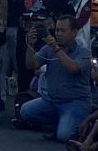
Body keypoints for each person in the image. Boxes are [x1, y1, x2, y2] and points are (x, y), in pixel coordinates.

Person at [18, 15, 92, 143]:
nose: (58, 34)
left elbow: (73, 69)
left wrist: (56, 49)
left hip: (74, 102)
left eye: (63, 31)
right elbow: (31, 65)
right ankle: (56, 123)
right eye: (57, 30)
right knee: (25, 111)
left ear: (74, 32)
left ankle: (76, 124)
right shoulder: (48, 49)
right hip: (51, 101)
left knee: (64, 136)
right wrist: (30, 44)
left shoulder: (83, 52)